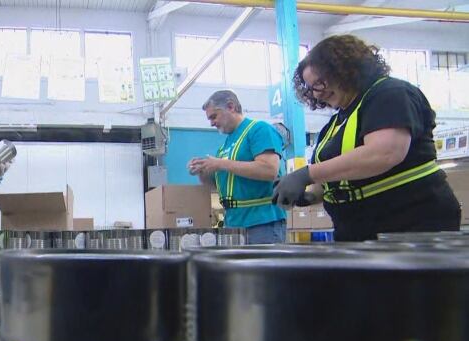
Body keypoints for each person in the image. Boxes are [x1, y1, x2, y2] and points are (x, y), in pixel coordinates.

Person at [273, 34, 460, 242]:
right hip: (358, 229)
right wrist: (311, 195)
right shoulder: (337, 123)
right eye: (311, 88)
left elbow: (384, 153)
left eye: (320, 82)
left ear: (343, 69)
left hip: (409, 222)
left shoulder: (390, 94)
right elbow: (340, 176)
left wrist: (306, 174)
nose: (317, 93)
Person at [188, 90, 287, 244]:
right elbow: (219, 184)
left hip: (261, 223)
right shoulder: (226, 146)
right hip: (233, 223)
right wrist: (201, 171)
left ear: (231, 106)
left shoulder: (259, 130)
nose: (212, 123)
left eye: (214, 116)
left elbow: (269, 170)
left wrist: (220, 163)